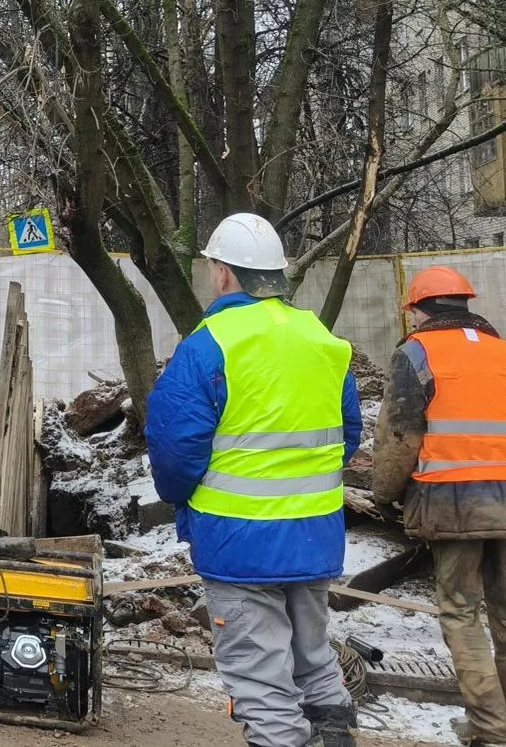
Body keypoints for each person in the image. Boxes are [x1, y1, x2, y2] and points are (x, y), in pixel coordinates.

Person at [146, 213, 361, 747]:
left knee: (260, 678)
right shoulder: (322, 340)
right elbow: (345, 435)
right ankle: (335, 734)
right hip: (314, 534)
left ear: (222, 273)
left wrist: (182, 499)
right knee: (314, 656)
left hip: (239, 541)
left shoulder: (209, 344)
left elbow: (175, 449)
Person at [372, 267, 506, 747]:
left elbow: (400, 435)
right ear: (466, 305)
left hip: (453, 503)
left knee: (461, 611)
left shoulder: (416, 353)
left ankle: (492, 735)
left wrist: (383, 492)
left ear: (416, 310)